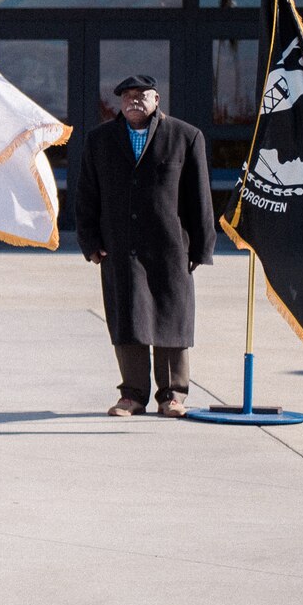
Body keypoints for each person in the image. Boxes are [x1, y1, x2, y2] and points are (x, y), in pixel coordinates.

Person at [75, 75, 215, 418]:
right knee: (128, 319)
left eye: (141, 95)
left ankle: (172, 395)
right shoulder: (100, 140)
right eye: (127, 96)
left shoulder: (185, 136)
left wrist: (200, 248)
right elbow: (86, 197)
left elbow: (200, 197)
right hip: (120, 248)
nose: (133, 101)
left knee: (171, 319)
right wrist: (91, 242)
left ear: (157, 99)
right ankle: (132, 395)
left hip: (170, 247)